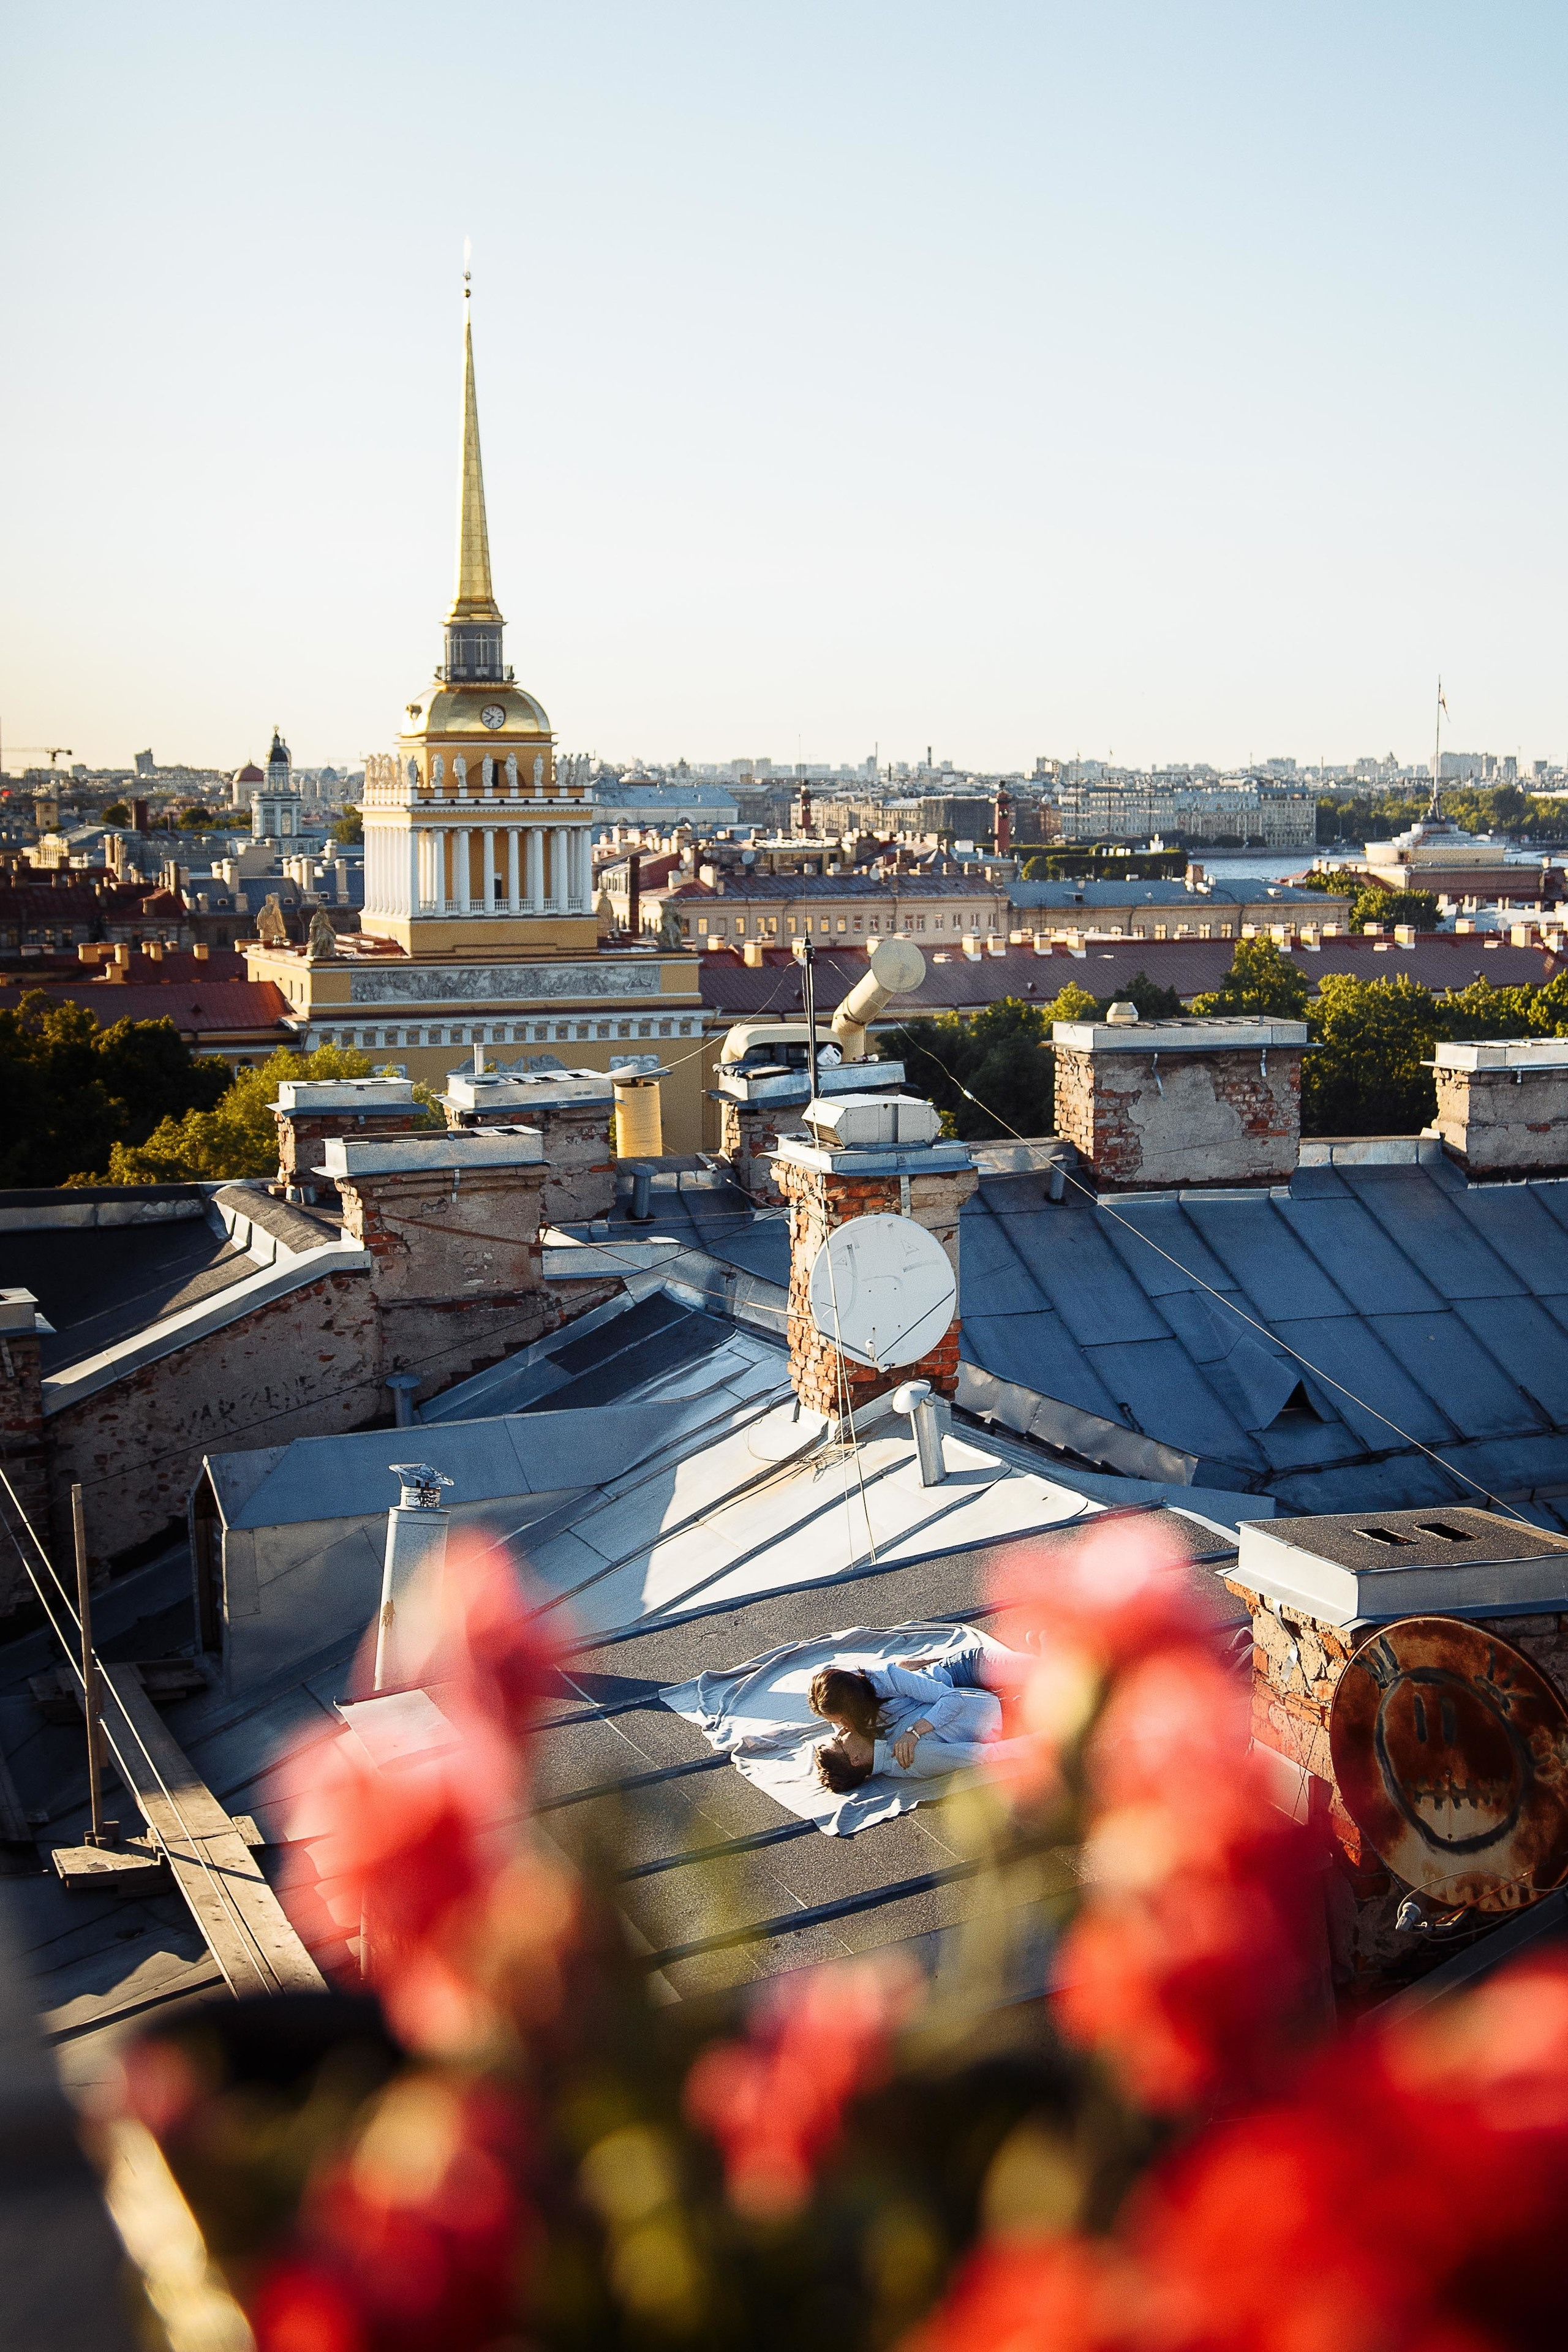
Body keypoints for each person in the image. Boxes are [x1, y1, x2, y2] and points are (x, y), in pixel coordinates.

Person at [809, 1638, 1030, 1795]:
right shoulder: (898, 1753)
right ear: (855, 1759)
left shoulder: (885, 1680)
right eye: (837, 1732)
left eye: (839, 1723)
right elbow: (983, 1755)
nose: (841, 1730)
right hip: (999, 1709)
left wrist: (914, 1731)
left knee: (1037, 1668)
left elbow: (951, 1699)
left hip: (961, 1674)